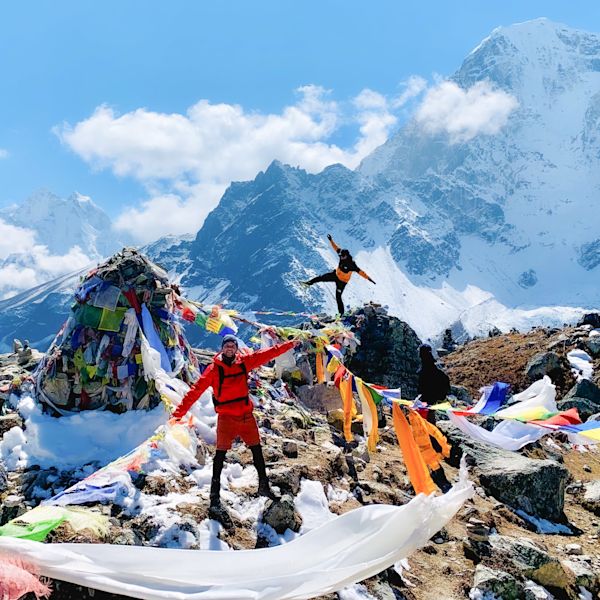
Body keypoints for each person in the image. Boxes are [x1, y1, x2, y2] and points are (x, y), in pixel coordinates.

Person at [172, 333, 297, 527]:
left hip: (246, 416)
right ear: (222, 348)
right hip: (226, 419)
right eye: (227, 345)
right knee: (220, 455)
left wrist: (289, 345)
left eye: (233, 345)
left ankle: (264, 486)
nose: (230, 348)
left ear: (236, 348)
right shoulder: (213, 370)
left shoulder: (244, 362)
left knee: (257, 450)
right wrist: (178, 414)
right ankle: (214, 495)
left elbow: (266, 354)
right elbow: (195, 391)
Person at [302, 234, 375, 316]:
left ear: (346, 256)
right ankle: (308, 283)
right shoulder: (341, 255)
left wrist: (369, 278)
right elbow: (336, 247)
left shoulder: (352, 264)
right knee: (321, 277)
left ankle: (341, 314)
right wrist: (331, 240)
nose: (340, 257)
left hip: (342, 282)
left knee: (338, 297)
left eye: (342, 256)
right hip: (335, 274)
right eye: (340, 255)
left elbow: (361, 272)